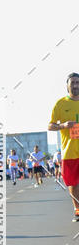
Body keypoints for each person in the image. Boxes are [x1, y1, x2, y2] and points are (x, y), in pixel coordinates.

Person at [48, 72, 79, 220]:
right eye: (72, 83)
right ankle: (77, 209)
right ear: (67, 86)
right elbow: (50, 126)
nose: (75, 85)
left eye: (77, 82)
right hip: (70, 152)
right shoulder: (61, 104)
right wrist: (64, 125)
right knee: (72, 183)